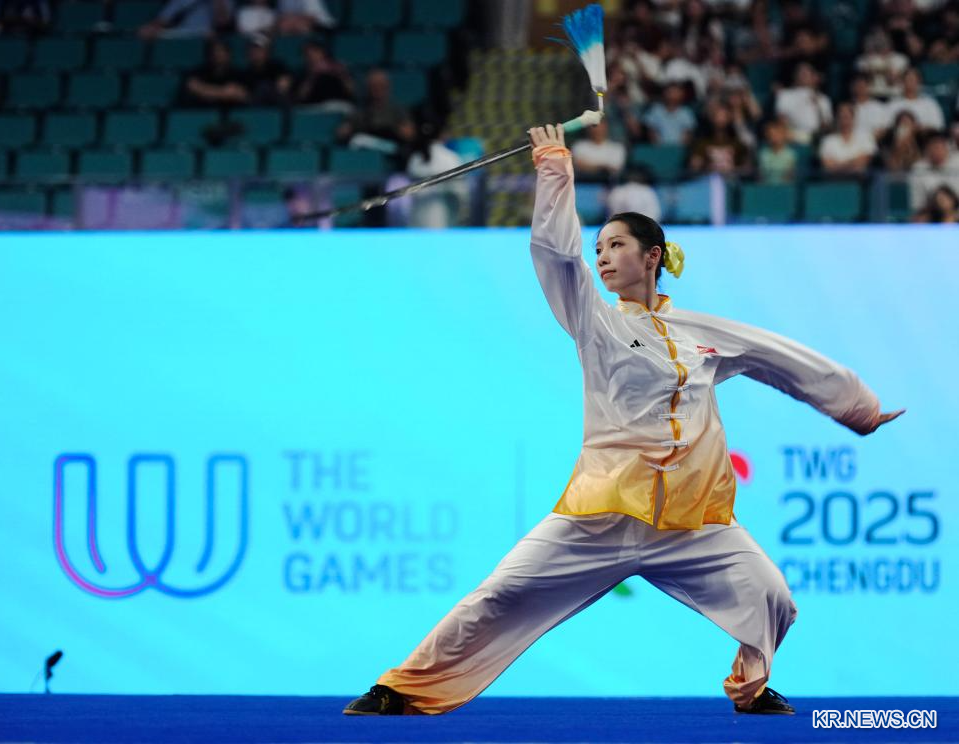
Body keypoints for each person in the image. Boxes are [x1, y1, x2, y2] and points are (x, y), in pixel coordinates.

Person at [342, 121, 904, 717]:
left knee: (773, 598)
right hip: (600, 517)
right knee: (501, 593)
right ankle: (399, 688)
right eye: (599, 248)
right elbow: (557, 255)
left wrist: (856, 406)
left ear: (652, 257)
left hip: (691, 523)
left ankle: (751, 688)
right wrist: (554, 166)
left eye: (615, 246)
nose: (603, 257)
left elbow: (780, 357)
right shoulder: (595, 319)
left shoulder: (700, 334)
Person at [774, 62, 832, 144]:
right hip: (793, 137)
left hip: (817, 138)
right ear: (795, 76)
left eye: (806, 73)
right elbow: (781, 121)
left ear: (813, 77)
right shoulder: (785, 95)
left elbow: (826, 126)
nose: (803, 76)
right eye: (801, 73)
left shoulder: (823, 99)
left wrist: (818, 107)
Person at [183, 38, 248, 106]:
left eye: (221, 51)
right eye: (214, 51)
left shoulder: (238, 74)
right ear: (208, 55)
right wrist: (224, 93)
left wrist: (205, 90)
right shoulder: (197, 72)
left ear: (229, 54)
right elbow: (193, 86)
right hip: (202, 110)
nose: (218, 55)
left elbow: (243, 95)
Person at [818, 102, 877, 176]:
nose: (844, 121)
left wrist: (839, 165)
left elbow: (863, 161)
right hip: (833, 179)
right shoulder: (827, 140)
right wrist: (852, 164)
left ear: (853, 118)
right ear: (837, 119)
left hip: (859, 179)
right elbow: (828, 165)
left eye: (847, 117)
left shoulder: (866, 137)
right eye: (841, 117)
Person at [885, 67, 945, 133]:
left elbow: (938, 126)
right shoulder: (893, 103)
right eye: (908, 79)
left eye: (914, 80)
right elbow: (887, 127)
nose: (911, 83)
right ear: (902, 82)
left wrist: (919, 128)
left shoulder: (930, 103)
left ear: (919, 82)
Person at [139, 0, 233, 40]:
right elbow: (163, 19)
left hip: (207, 37)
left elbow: (222, 22)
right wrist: (151, 28)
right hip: (182, 36)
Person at [757, 119, 797, 183]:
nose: (774, 137)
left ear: (784, 135)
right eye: (771, 134)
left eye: (778, 134)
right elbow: (760, 176)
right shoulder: (763, 154)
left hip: (784, 187)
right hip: (766, 187)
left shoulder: (790, 154)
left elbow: (790, 176)